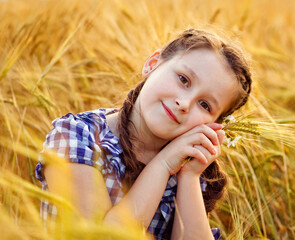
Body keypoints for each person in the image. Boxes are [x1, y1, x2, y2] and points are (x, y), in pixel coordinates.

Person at [35, 28, 252, 240]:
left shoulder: (188, 169)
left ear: (213, 125)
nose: (184, 103)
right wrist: (163, 164)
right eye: (183, 79)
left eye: (204, 105)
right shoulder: (78, 137)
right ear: (152, 64)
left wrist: (189, 176)